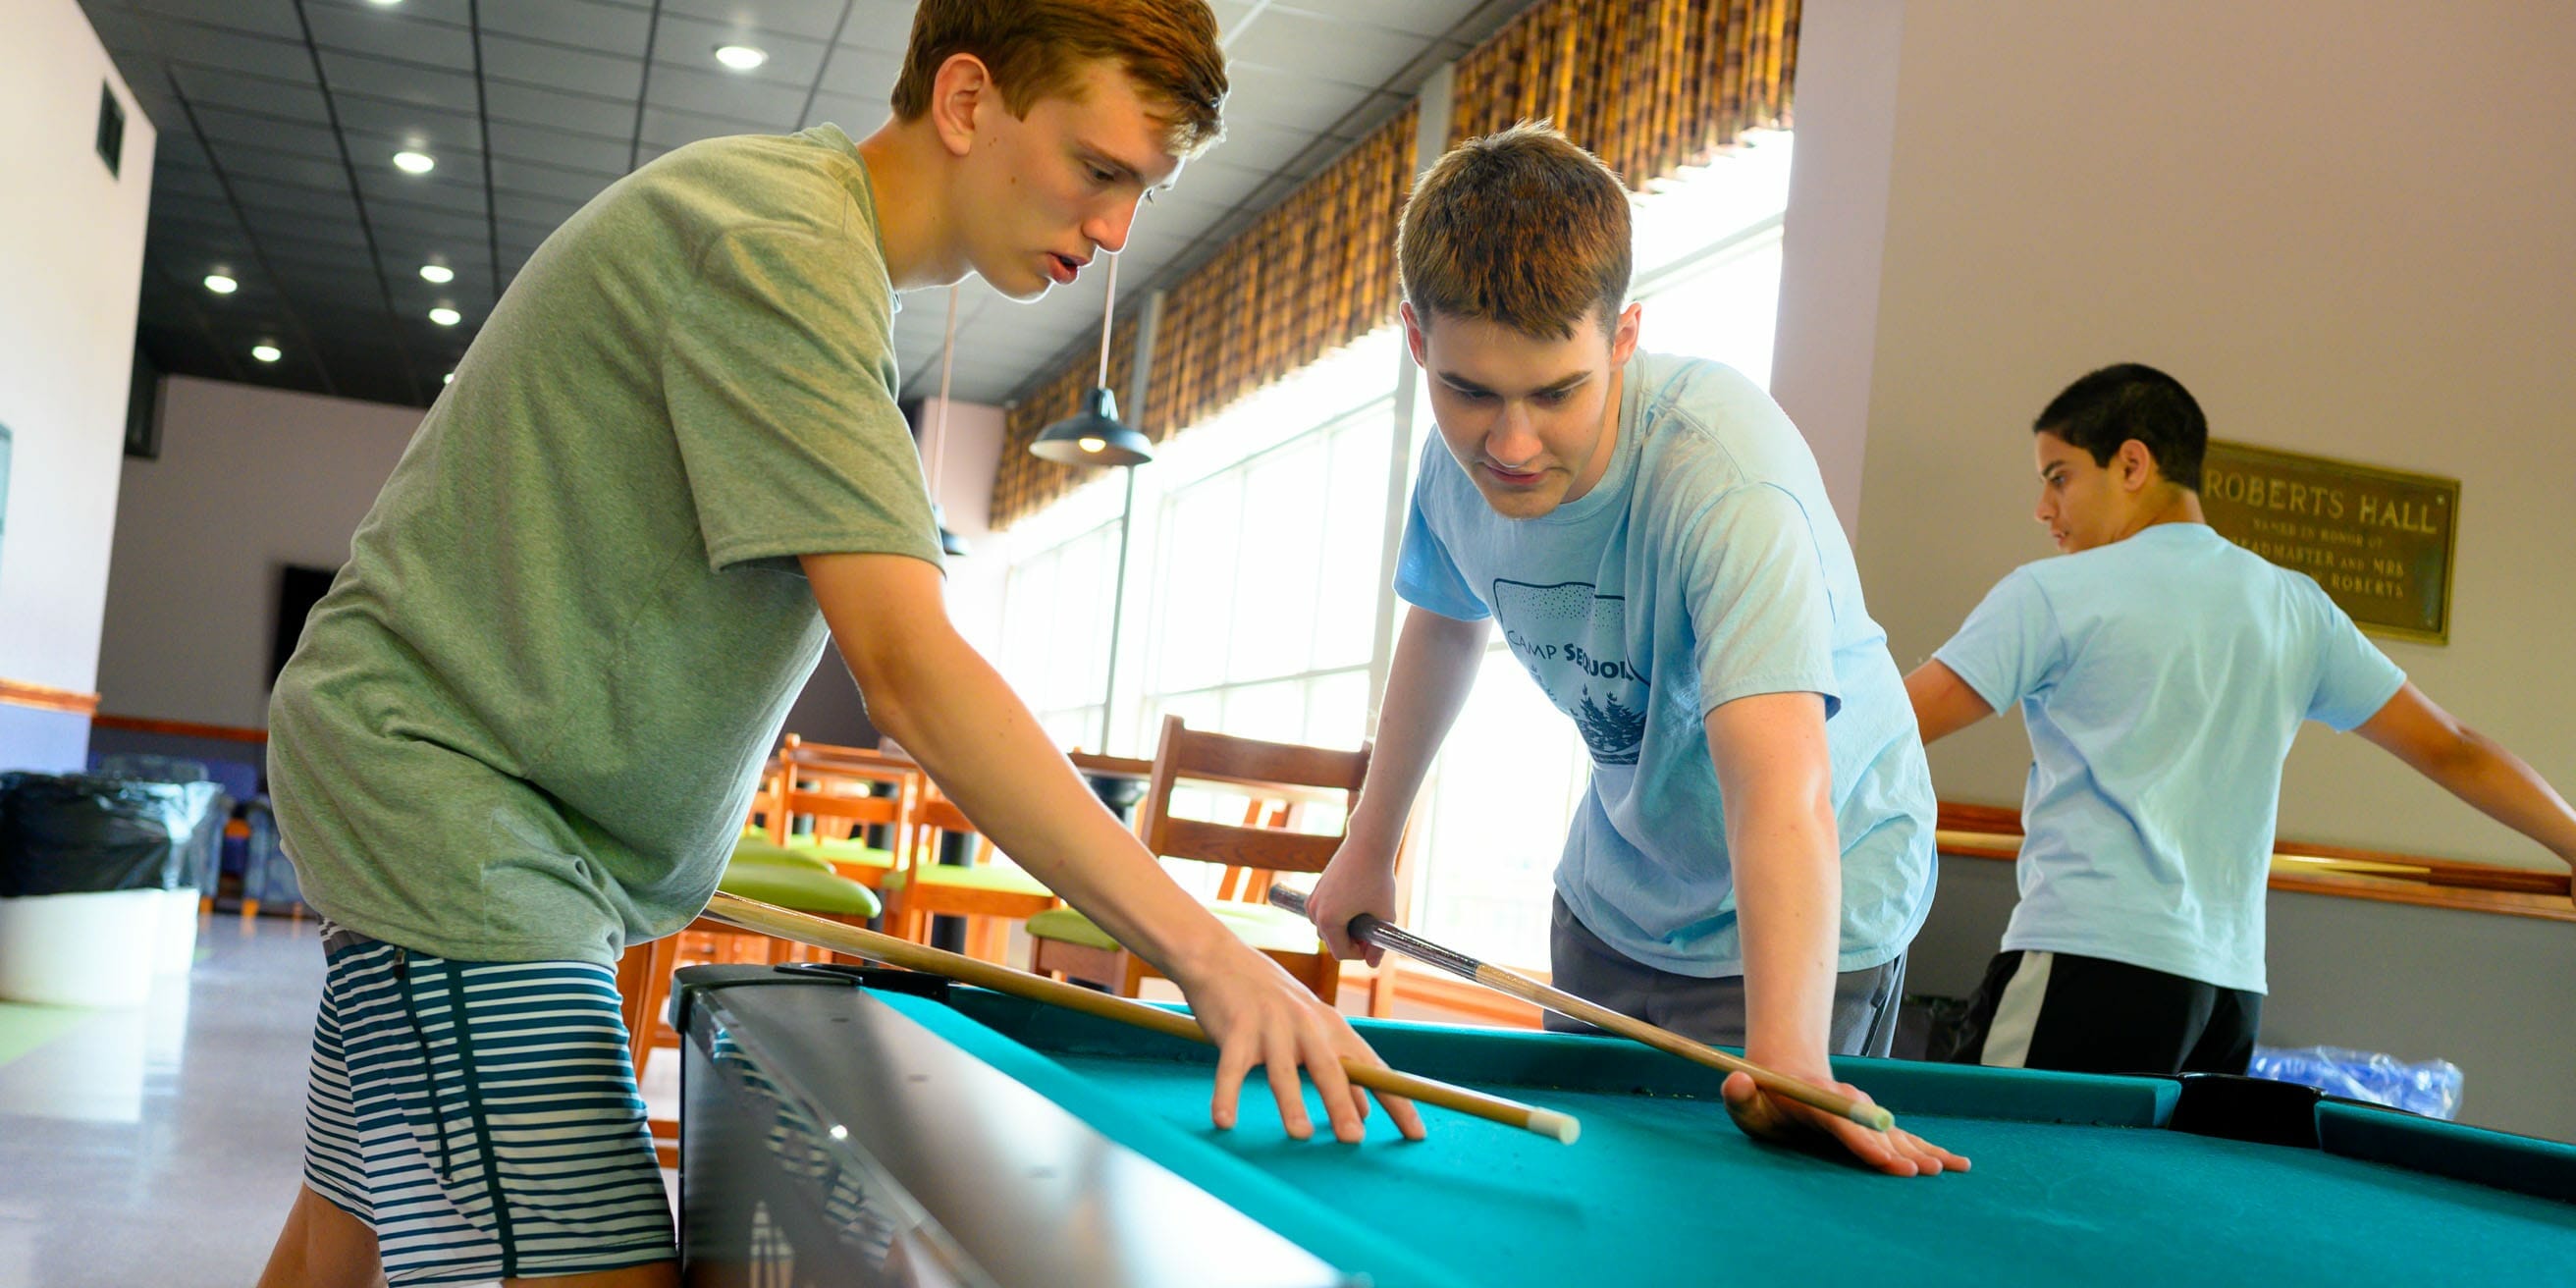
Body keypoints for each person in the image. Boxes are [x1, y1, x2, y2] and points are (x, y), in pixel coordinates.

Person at [256, 4, 1423, 1285]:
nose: (1112, 228)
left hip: (447, 796)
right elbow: (911, 674)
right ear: (968, 101)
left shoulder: (805, 243)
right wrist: (1213, 961)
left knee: (340, 1254)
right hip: (461, 823)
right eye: (1100, 171)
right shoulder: (784, 251)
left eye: (1139, 190)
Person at [1303, 124, 1964, 1177]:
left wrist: (1786, 1057)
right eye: (1470, 391)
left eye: (1554, 392)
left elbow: (1778, 782)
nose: (1508, 446)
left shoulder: (1723, 476)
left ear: (1622, 338)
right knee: (1599, 1195)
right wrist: (1368, 841)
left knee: (1747, 1230)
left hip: (1807, 897)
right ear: (1416, 342)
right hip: (1616, 892)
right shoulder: (1448, 469)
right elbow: (1442, 620)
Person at [1905, 362, 2576, 1077]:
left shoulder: (2052, 593)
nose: (2043, 507)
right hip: (2224, 994)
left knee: (2004, 1176)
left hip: (2089, 957)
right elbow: (2454, 746)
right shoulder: (2293, 606)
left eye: (2059, 475)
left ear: (2133, 463)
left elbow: (1893, 723)